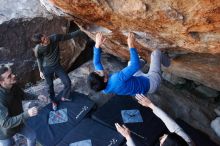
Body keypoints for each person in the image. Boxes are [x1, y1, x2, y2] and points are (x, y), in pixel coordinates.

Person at [87, 32, 170, 96]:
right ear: (104, 79)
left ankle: (144, 60)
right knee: (156, 53)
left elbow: (96, 62)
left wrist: (97, 45)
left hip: (138, 80)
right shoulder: (116, 79)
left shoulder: (103, 87)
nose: (98, 70)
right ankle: (168, 62)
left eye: (95, 71)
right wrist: (131, 44)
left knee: (131, 63)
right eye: (98, 72)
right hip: (151, 83)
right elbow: (135, 65)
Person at [115, 94, 194, 146]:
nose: (160, 137)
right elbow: (173, 126)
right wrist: (151, 105)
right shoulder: (187, 142)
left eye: (161, 142)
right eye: (164, 136)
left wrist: (128, 137)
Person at [31, 31, 79, 110]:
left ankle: (65, 97)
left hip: (57, 66)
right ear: (40, 44)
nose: (46, 40)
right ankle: (54, 102)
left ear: (44, 34)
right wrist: (40, 71)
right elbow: (39, 59)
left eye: (45, 37)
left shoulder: (55, 37)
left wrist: (83, 30)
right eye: (43, 41)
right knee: (50, 87)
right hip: (46, 69)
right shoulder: (38, 49)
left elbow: (70, 35)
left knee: (67, 82)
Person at [0, 65, 38, 146]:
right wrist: (27, 114)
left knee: (32, 136)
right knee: (9, 143)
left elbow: (22, 95)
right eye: (9, 76)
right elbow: (5, 123)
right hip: (4, 132)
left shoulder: (14, 85)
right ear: (2, 82)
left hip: (19, 123)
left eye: (12, 73)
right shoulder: (1, 99)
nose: (13, 76)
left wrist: (37, 97)